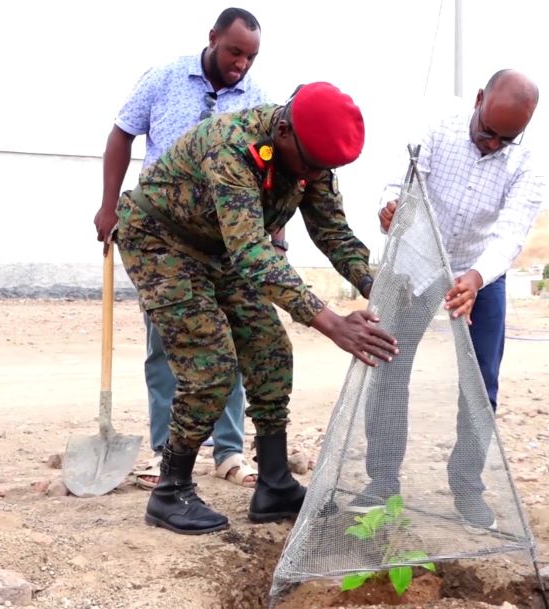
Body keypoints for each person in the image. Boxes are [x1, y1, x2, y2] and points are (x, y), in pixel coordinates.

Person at [114, 81, 398, 535]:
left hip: (219, 246)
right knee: (211, 364)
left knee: (270, 348)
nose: (315, 176)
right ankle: (170, 490)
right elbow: (251, 253)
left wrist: (377, 285)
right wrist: (331, 323)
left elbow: (334, 235)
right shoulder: (233, 148)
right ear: (284, 132)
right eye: (311, 165)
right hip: (159, 239)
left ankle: (274, 485)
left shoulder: (311, 159)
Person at [93, 7, 281, 490]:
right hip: (165, 241)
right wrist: (108, 206)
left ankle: (229, 451)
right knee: (169, 348)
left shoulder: (257, 98)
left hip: (228, 239)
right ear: (213, 38)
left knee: (233, 343)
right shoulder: (165, 77)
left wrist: (275, 235)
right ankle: (165, 450)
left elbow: (270, 176)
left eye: (251, 56)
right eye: (234, 51)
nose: (241, 63)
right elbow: (121, 135)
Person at [351, 69, 544, 531]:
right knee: (389, 365)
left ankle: (467, 486)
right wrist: (391, 208)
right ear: (478, 99)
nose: (494, 144)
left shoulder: (529, 165)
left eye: (507, 139)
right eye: (488, 132)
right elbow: (399, 185)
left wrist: (475, 279)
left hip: (481, 273)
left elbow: (510, 233)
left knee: (480, 384)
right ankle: (381, 482)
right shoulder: (437, 127)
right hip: (416, 262)